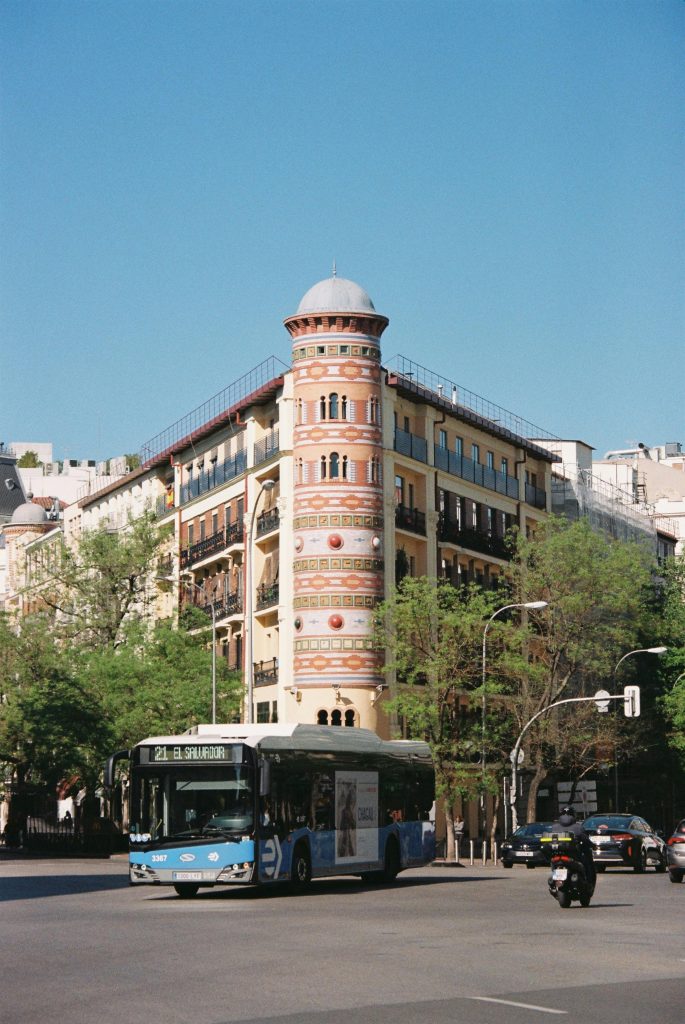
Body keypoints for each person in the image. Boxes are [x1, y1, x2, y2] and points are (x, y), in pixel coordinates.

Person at [554, 805, 596, 887]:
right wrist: (592, 845)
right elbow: (585, 840)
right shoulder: (578, 827)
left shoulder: (554, 827)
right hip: (574, 855)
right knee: (588, 863)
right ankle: (588, 883)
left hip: (557, 854)